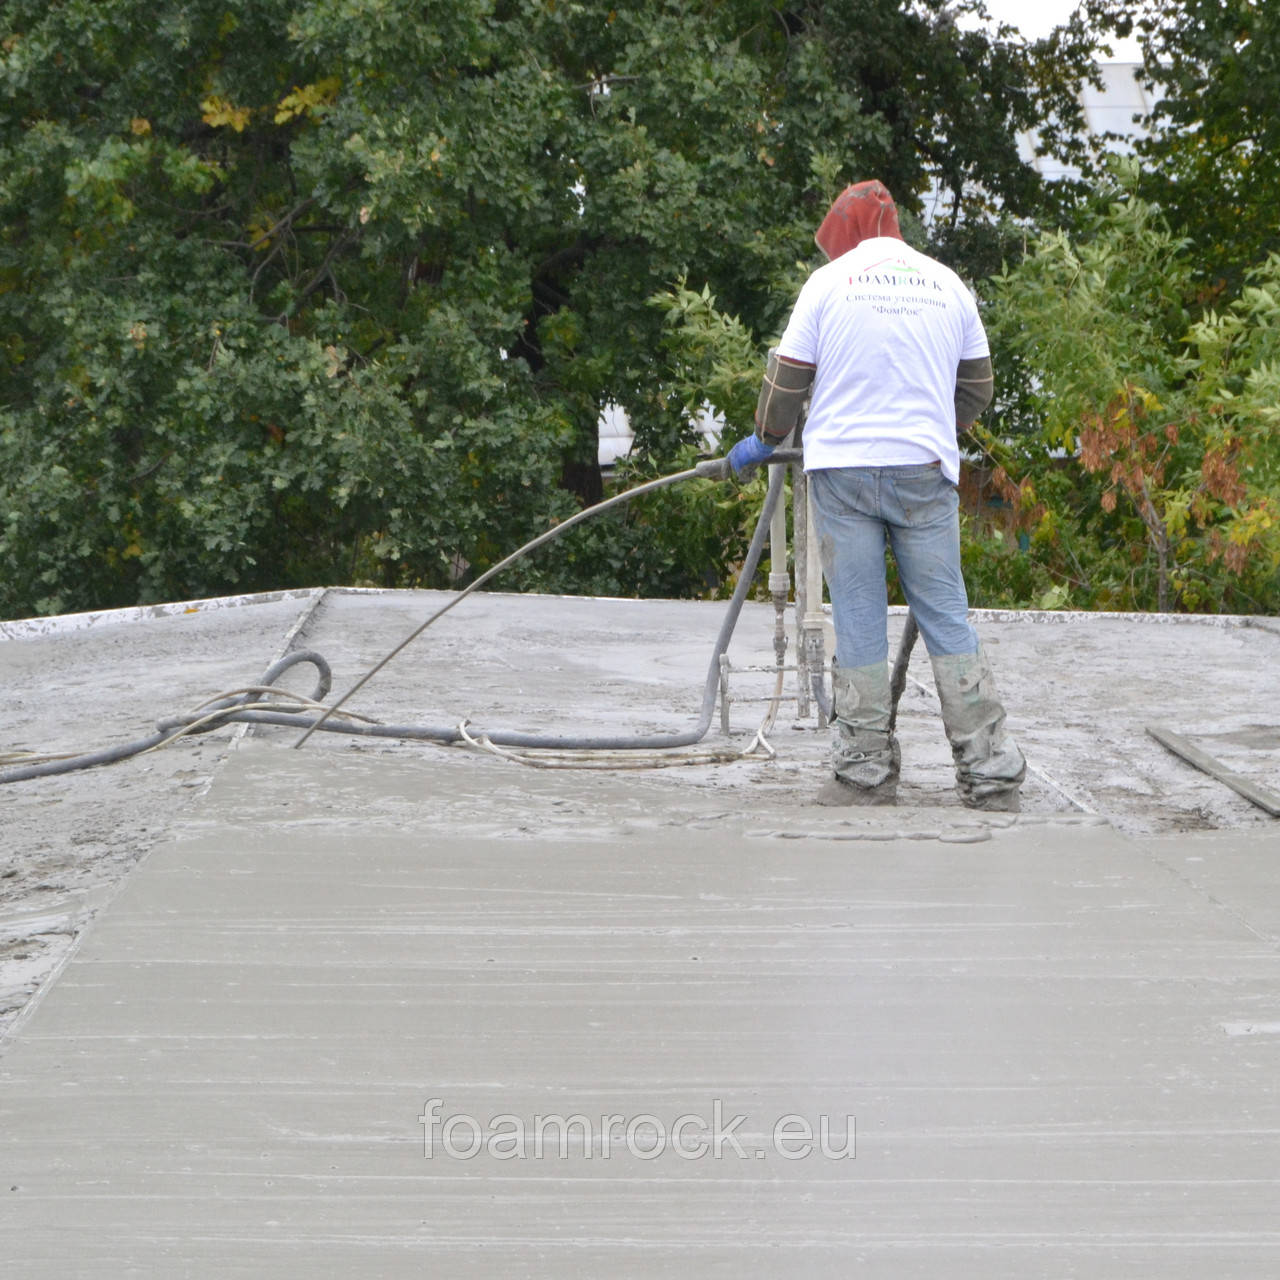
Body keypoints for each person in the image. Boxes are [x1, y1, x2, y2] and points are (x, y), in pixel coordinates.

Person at [726, 180, 1025, 810]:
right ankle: (990, 772)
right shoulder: (948, 284)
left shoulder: (826, 285)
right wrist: (924, 425)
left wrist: (764, 439)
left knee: (859, 616)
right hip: (924, 470)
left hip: (844, 474)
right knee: (946, 613)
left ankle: (864, 772)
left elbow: (786, 387)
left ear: (846, 236)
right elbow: (975, 391)